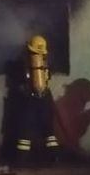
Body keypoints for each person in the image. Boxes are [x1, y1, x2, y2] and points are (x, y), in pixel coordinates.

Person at [12, 34, 60, 166]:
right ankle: (55, 157)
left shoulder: (24, 63)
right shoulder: (46, 62)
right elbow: (49, 77)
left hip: (29, 99)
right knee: (49, 131)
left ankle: (20, 160)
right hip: (46, 98)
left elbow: (20, 82)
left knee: (25, 130)